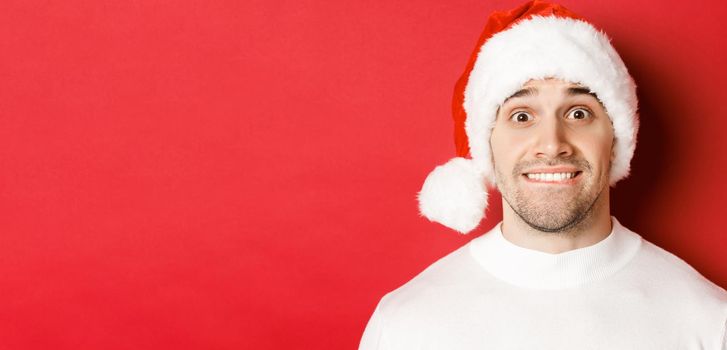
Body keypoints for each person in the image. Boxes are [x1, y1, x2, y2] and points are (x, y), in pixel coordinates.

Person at [359, 1, 727, 349]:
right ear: (487, 145)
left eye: (579, 113)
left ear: (616, 139)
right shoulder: (406, 326)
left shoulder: (708, 321)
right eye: (522, 116)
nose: (552, 145)